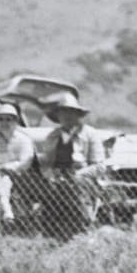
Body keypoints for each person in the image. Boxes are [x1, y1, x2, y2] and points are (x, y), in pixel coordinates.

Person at [38, 93, 105, 237]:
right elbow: (45, 163)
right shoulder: (53, 136)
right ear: (58, 116)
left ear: (77, 115)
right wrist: (49, 174)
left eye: (70, 112)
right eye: (63, 112)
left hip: (83, 181)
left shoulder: (90, 134)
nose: (67, 116)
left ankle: (84, 228)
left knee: (77, 186)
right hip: (57, 179)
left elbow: (100, 166)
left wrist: (79, 174)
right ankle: (48, 232)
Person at [0, 103, 36, 226]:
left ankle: (5, 211)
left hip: (21, 177)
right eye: (0, 119)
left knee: (4, 177)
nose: (4, 123)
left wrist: (5, 167)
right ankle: (7, 212)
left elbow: (25, 163)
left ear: (16, 121)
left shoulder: (24, 140)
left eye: (8, 119)